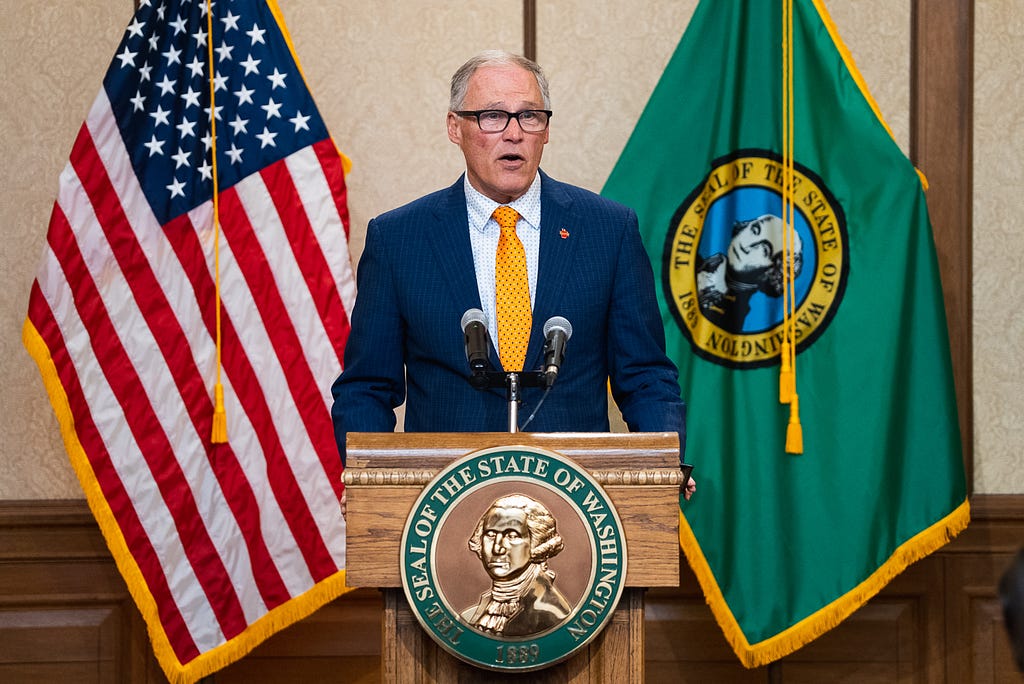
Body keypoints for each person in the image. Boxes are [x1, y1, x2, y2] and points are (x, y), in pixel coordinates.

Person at [331, 50, 693, 498]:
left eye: (530, 117)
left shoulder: (608, 230)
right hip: (443, 502)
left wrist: (664, 460)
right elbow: (367, 386)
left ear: (546, 130)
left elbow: (645, 375)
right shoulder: (398, 238)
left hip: (577, 502)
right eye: (492, 117)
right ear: (454, 128)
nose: (514, 134)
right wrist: (368, 479)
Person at [460, 494, 572, 636]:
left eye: (512, 536)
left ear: (536, 544)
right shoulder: (469, 617)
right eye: (491, 535)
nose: (497, 548)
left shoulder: (552, 615)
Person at [696, 213, 803, 333]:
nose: (748, 245)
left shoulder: (733, 319)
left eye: (764, 250)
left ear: (771, 272)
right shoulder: (696, 261)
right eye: (755, 230)